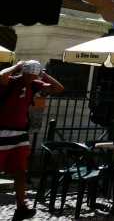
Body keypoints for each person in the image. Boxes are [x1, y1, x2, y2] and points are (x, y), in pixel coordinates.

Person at [0, 60, 64, 221]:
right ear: (23, 72)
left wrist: (44, 75)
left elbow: (59, 89)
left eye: (33, 76)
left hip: (21, 133)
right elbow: (1, 75)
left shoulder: (35, 84)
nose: (29, 79)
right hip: (2, 131)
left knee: (21, 170)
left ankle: (21, 208)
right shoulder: (10, 82)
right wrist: (16, 66)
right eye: (28, 76)